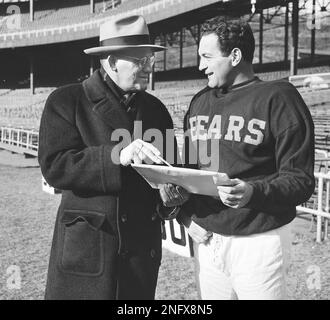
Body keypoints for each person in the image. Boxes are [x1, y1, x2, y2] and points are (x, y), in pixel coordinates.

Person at [160, 17, 315, 300]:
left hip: (259, 240)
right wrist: (184, 216)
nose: (200, 66)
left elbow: (301, 181)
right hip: (208, 239)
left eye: (207, 56)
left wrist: (252, 192)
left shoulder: (278, 98)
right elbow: (192, 171)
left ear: (235, 55)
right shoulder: (199, 102)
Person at [38, 15, 178, 300]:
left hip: (140, 253)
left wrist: (170, 202)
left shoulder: (156, 110)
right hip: (88, 250)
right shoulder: (66, 101)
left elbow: (167, 173)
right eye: (141, 61)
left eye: (150, 60)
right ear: (112, 62)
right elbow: (55, 165)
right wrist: (118, 156)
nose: (148, 68)